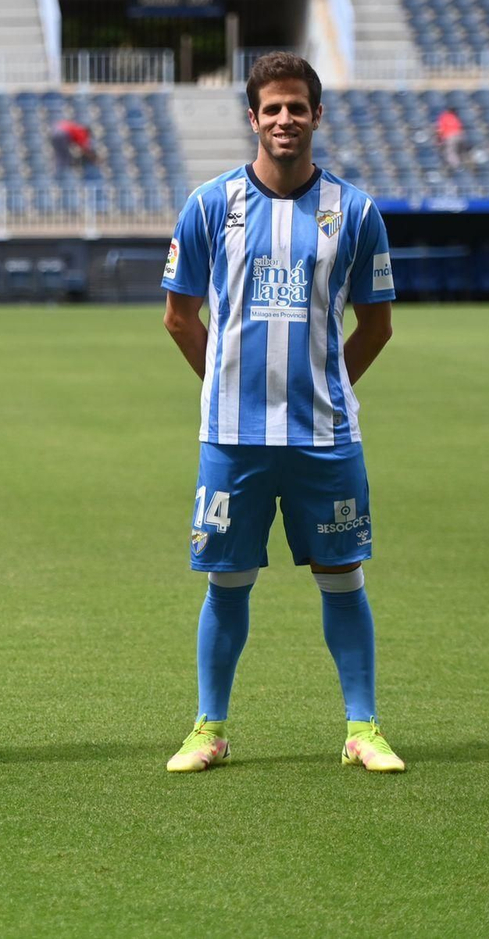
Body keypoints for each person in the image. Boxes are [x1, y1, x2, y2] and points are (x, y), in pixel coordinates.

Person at [159, 51, 404, 774]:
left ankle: (362, 728)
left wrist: (330, 387)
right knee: (227, 582)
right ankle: (209, 728)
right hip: (233, 438)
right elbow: (178, 316)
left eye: (298, 106)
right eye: (273, 108)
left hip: (324, 437)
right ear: (253, 118)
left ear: (316, 115)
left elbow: (378, 325)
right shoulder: (210, 204)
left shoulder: (355, 211)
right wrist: (224, 386)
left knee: (343, 578)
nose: (285, 118)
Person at [435, 105, 466, 169]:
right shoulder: (455, 117)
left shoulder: (444, 117)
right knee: (459, 151)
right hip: (459, 135)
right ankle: (461, 163)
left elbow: (440, 129)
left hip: (450, 136)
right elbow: (460, 127)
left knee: (450, 151)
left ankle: (456, 166)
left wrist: (439, 139)